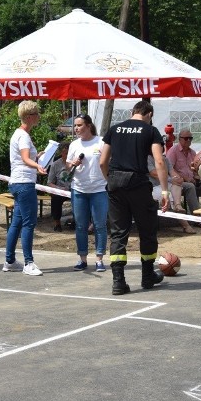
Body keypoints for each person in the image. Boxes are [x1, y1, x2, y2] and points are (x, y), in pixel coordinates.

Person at [99, 100, 169, 295]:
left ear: (133, 112)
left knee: (118, 232)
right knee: (147, 229)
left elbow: (102, 161)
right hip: (137, 183)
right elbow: (159, 161)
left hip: (115, 182)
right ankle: (147, 276)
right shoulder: (150, 130)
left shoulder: (114, 129)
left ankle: (118, 281)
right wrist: (165, 191)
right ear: (149, 114)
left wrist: (110, 180)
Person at [4, 100, 48, 276]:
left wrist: (37, 156)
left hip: (17, 182)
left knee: (17, 222)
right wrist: (36, 165)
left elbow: (24, 157)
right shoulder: (23, 136)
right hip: (24, 183)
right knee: (29, 223)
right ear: (29, 117)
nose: (38, 117)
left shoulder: (20, 134)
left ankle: (9, 260)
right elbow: (24, 158)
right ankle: (28, 263)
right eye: (36, 114)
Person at [67, 114, 109, 271]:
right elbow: (67, 166)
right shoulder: (74, 145)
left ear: (89, 126)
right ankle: (82, 259)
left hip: (99, 189)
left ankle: (99, 259)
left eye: (79, 125)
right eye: (75, 126)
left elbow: (109, 161)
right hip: (79, 189)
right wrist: (72, 163)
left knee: (100, 225)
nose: (76, 128)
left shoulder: (101, 141)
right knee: (80, 225)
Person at [147, 153, 195, 233]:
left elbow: (172, 172)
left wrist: (178, 178)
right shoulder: (148, 158)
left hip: (166, 184)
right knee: (170, 194)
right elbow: (154, 173)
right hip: (154, 186)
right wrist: (171, 179)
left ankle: (178, 205)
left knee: (177, 185)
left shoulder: (165, 159)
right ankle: (185, 224)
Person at [47, 141, 72, 232]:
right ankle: (57, 223)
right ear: (62, 153)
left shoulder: (75, 163)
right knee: (55, 198)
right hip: (61, 189)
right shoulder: (55, 165)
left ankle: (81, 222)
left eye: (70, 153)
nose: (68, 155)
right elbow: (50, 183)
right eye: (66, 153)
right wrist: (60, 189)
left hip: (74, 189)